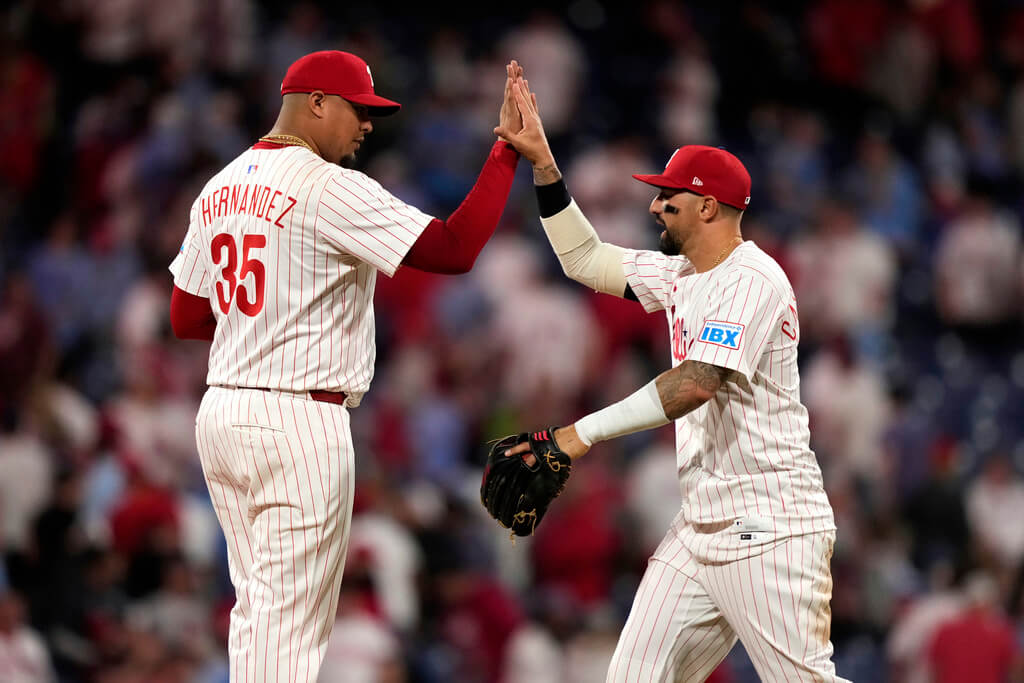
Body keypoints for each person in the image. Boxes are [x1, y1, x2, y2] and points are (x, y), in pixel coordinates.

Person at [168, 51, 524, 682]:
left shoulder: (219, 186)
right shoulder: (326, 184)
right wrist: (505, 155)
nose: (367, 125)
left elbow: (187, 316)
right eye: (359, 110)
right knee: (291, 623)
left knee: (257, 610)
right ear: (316, 104)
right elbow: (453, 249)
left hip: (223, 411)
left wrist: (267, 311)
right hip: (298, 420)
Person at [495, 75, 847, 681]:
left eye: (669, 196)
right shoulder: (683, 272)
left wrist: (575, 435)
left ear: (708, 206)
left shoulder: (751, 278)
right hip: (700, 525)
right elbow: (584, 259)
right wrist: (545, 166)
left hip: (768, 524)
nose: (655, 204)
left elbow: (694, 384)